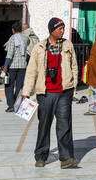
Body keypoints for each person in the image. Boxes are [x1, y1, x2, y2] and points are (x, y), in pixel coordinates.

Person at [23, 17, 79, 168]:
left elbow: (74, 66)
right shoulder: (40, 48)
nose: (62, 31)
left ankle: (66, 158)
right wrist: (26, 92)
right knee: (44, 125)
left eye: (63, 28)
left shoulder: (68, 45)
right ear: (52, 30)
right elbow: (31, 71)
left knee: (64, 125)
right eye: (59, 28)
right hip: (45, 93)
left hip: (63, 92)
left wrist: (73, 85)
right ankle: (41, 156)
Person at [3, 22, 30, 113]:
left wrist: (5, 65)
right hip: (23, 66)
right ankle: (18, 105)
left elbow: (10, 54)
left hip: (12, 66)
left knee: (9, 86)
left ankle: (11, 105)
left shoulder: (12, 39)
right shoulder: (26, 38)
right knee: (20, 86)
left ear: (13, 30)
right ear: (22, 29)